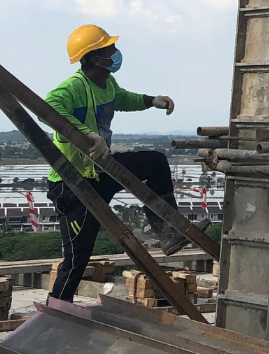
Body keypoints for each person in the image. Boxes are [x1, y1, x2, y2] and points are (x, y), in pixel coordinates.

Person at [46, 24, 188, 302]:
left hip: (100, 170)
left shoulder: (107, 83)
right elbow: (49, 107)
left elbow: (121, 98)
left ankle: (165, 229)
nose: (116, 52)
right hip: (73, 184)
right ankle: (57, 308)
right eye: (109, 49)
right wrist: (85, 134)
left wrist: (151, 101)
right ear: (95, 58)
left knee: (155, 162)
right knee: (77, 258)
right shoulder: (74, 87)